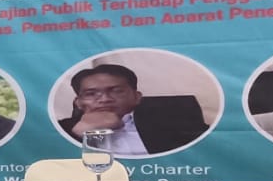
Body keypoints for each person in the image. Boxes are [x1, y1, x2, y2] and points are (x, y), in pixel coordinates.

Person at [59, 63, 208, 155]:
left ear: (136, 97)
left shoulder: (173, 118)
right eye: (91, 94)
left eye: (116, 91)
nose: (104, 99)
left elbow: (209, 151)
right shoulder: (62, 130)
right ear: (78, 102)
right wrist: (81, 132)